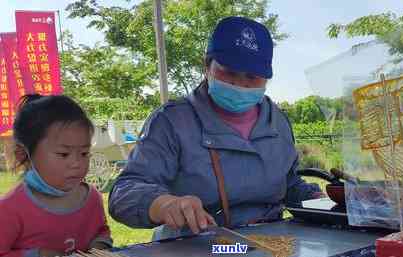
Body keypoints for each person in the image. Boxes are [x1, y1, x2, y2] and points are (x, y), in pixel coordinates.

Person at [108, 16, 322, 239]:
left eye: (252, 76)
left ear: (267, 76)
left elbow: (289, 184)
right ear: (207, 66)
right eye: (229, 71)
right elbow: (124, 193)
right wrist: (163, 204)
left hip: (271, 245)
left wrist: (320, 198)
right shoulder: (172, 122)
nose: (239, 83)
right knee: (234, 251)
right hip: (200, 246)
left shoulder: (278, 121)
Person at [0, 95, 112, 257]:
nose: (77, 163)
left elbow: (101, 232)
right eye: (64, 154)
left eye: (84, 153)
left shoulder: (92, 197)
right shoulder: (10, 209)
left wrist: (99, 247)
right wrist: (36, 254)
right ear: (23, 154)